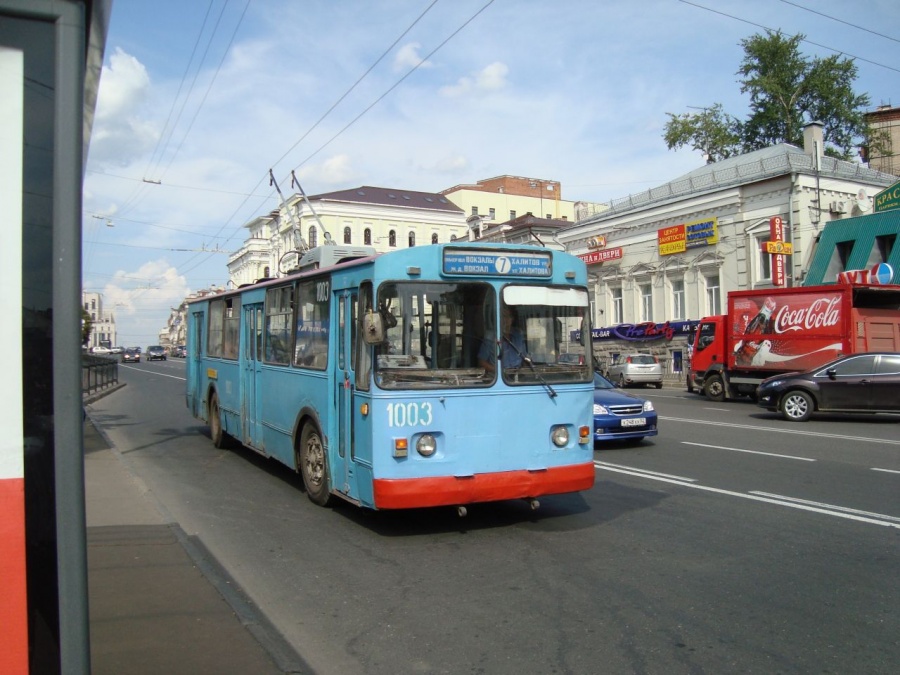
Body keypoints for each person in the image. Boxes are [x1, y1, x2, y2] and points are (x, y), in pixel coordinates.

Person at [478, 306, 526, 372]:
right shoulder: (490, 336)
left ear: (512, 319)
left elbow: (525, 358)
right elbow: (481, 362)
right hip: (499, 377)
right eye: (501, 316)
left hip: (517, 377)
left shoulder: (518, 335)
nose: (504, 320)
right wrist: (499, 373)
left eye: (507, 316)